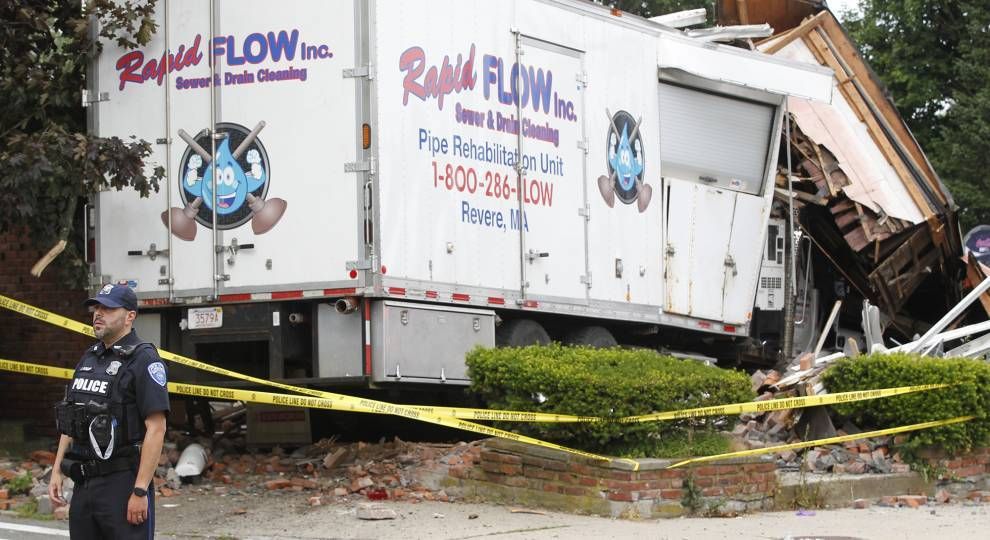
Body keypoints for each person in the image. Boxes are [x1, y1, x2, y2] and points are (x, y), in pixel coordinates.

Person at [48, 283, 169, 539]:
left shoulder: (144, 359)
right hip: (84, 483)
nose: (98, 313)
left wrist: (139, 491)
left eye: (109, 308)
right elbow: (71, 420)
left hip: (121, 482)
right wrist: (57, 470)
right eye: (97, 307)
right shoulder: (89, 358)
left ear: (130, 316)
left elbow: (156, 429)